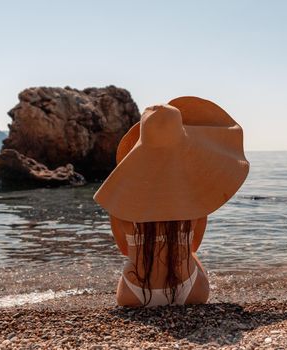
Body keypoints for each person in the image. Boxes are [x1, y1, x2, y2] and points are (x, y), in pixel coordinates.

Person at [93, 96, 249, 307]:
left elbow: (125, 250)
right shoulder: (196, 191)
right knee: (190, 255)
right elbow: (193, 246)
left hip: (133, 294)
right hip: (190, 290)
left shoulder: (121, 195)